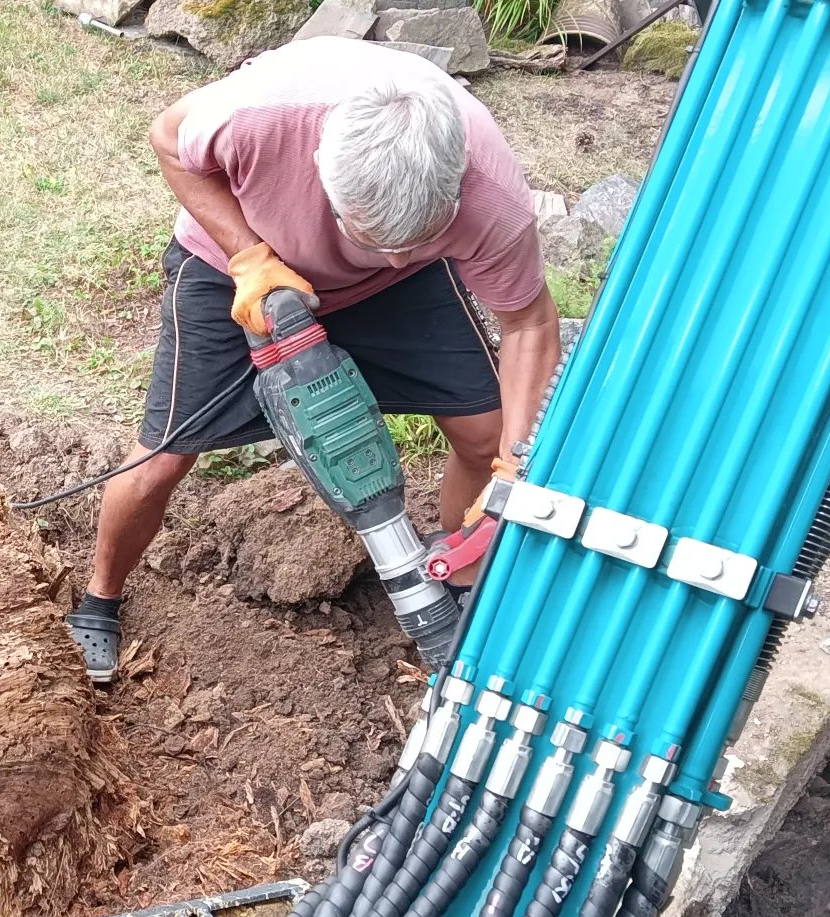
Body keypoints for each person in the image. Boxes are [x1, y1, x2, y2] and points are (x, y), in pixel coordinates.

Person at [64, 36, 560, 683]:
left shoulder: (488, 198)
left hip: (398, 299)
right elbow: (167, 140)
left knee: (484, 433)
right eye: (374, 238)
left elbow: (528, 324)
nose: (392, 255)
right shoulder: (260, 118)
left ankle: (460, 585)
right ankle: (100, 598)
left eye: (417, 239)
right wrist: (248, 254)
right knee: (163, 457)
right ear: (322, 167)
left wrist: (514, 471)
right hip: (239, 269)